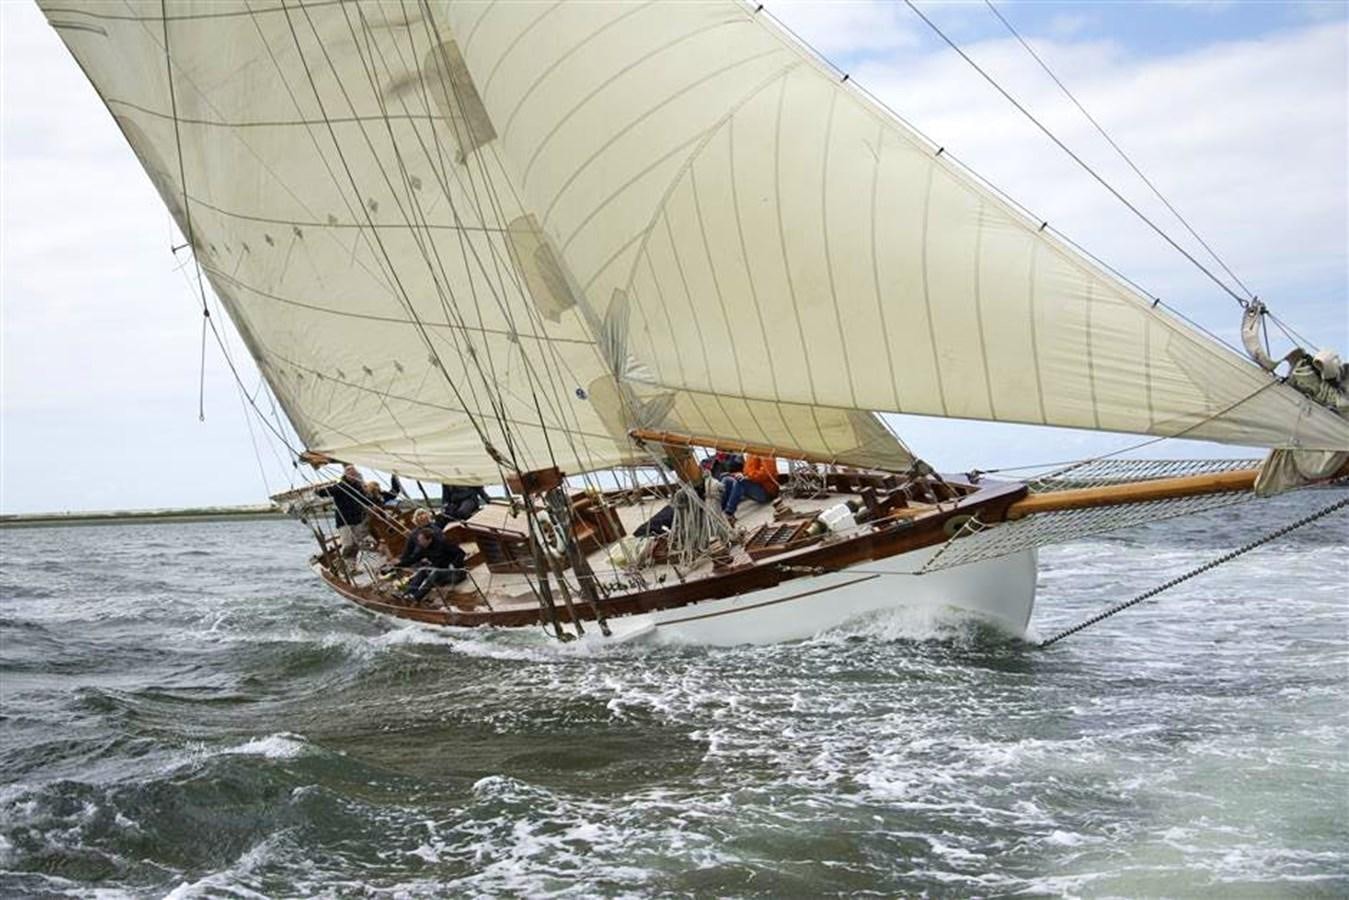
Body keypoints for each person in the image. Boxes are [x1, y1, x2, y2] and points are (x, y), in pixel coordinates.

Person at [396, 523, 467, 602]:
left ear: (429, 539)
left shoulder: (443, 543)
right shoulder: (424, 548)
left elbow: (461, 553)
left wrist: (453, 564)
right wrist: (397, 566)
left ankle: (416, 597)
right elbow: (413, 559)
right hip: (440, 571)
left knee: (435, 573)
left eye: (421, 541)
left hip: (456, 572)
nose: (419, 543)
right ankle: (407, 594)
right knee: (423, 570)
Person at [316, 465, 372, 557]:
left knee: (357, 544)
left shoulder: (359, 487)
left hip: (357, 519)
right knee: (348, 544)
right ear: (346, 475)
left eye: (354, 473)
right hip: (344, 521)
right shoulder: (340, 486)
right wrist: (318, 491)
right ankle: (348, 566)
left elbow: (365, 500)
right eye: (350, 473)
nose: (353, 475)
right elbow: (326, 492)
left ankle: (352, 566)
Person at [721, 454, 779, 518]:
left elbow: (767, 473)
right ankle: (719, 509)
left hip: (767, 491)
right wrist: (735, 475)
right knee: (726, 479)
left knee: (741, 481)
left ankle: (729, 513)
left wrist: (747, 477)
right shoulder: (750, 453)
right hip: (755, 485)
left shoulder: (765, 452)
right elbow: (747, 473)